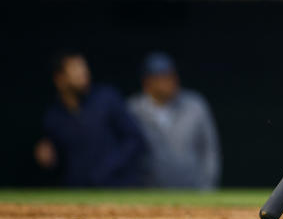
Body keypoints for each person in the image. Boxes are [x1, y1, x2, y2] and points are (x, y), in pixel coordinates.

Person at [35, 52, 146, 186]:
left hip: (114, 186)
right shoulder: (53, 116)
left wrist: (109, 168)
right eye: (75, 69)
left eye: (84, 68)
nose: (83, 74)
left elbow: (135, 139)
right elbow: (56, 156)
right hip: (77, 189)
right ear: (60, 79)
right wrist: (47, 154)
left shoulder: (106, 99)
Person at [127, 52, 221, 189]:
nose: (169, 82)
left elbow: (210, 150)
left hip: (192, 189)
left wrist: (207, 185)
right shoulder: (133, 109)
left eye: (171, 76)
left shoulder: (195, 105)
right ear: (147, 82)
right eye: (161, 77)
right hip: (149, 191)